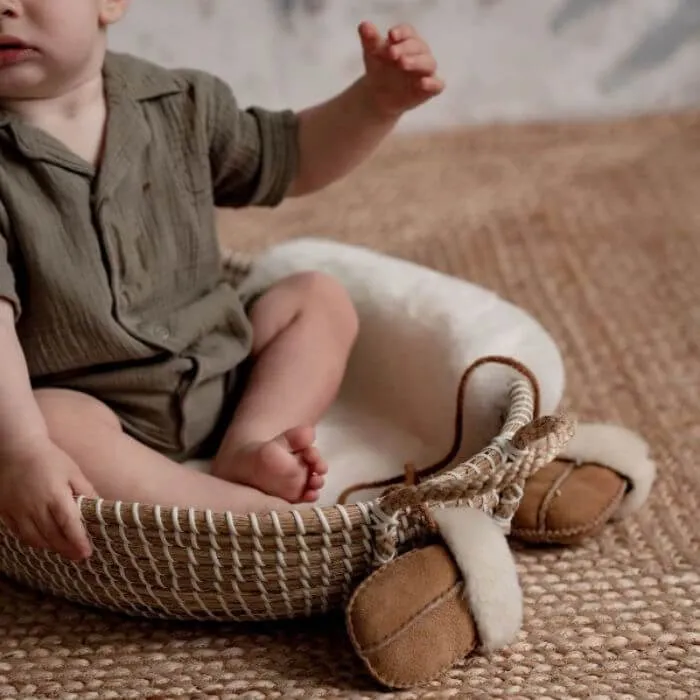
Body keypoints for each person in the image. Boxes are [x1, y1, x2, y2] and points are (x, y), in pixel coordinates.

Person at [0, 0, 444, 562]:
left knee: (316, 297)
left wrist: (374, 103)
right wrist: (21, 450)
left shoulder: (182, 104)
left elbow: (291, 156)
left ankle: (254, 439)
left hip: (221, 367)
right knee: (44, 425)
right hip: (97, 408)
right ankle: (225, 511)